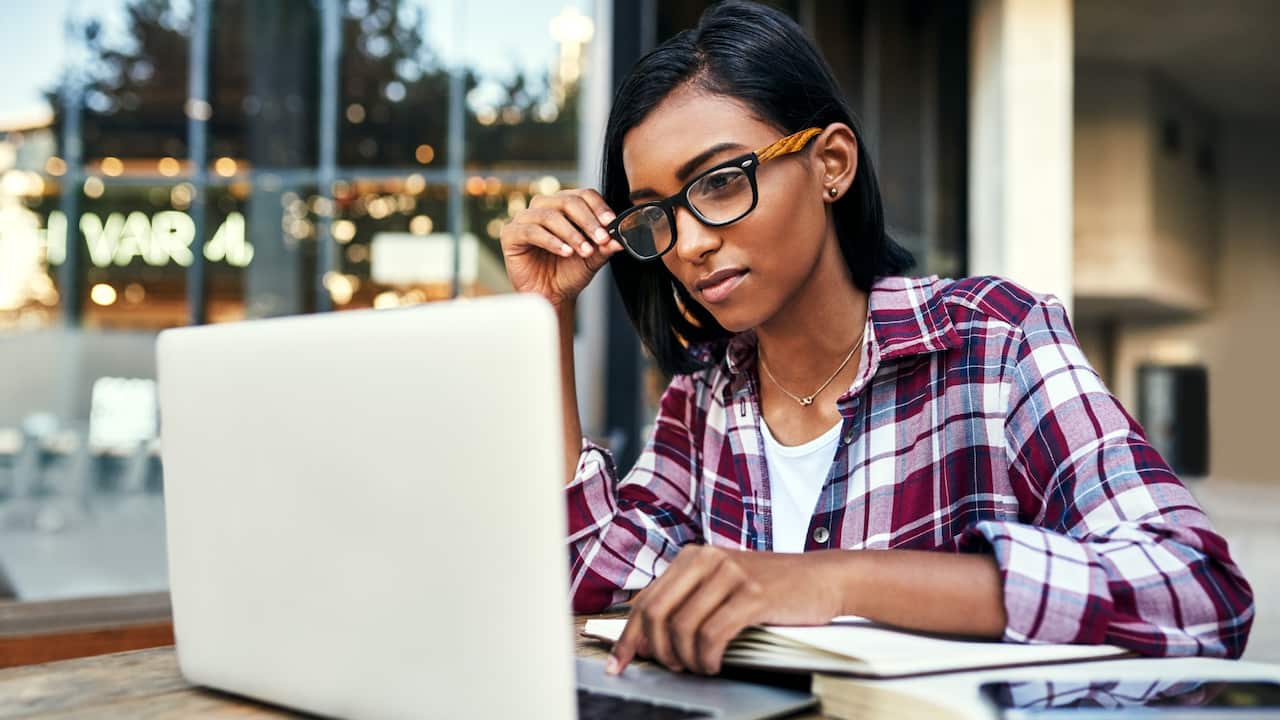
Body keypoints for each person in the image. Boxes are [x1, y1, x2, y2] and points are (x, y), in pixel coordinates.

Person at [498, 0, 1254, 678]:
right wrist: (548, 316)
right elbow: (587, 583)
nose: (688, 243)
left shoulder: (992, 343)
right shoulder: (704, 402)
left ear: (830, 163)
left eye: (721, 181)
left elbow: (1196, 589)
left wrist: (834, 580)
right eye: (656, 213)